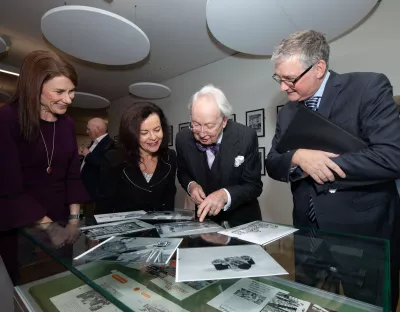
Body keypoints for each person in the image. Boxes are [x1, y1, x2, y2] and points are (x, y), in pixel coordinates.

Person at [266, 30, 400, 309]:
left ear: (319, 68)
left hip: (364, 237)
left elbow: (391, 157)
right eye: (279, 78)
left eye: (290, 79)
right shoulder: (288, 112)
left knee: (367, 305)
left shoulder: (368, 87)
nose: (283, 87)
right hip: (308, 236)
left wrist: (322, 164)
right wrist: (299, 157)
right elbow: (273, 163)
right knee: (310, 303)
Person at [0, 50, 89, 282]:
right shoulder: (7, 119)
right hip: (21, 226)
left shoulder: (68, 124)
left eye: (72, 91)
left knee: (61, 283)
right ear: (34, 87)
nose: (68, 99)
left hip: (61, 222)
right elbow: (10, 188)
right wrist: (50, 228)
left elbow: (72, 176)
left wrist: (73, 220)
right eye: (59, 92)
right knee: (28, 288)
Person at [176, 85, 263, 227]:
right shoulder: (182, 139)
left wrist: (224, 195)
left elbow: (254, 186)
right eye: (196, 124)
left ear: (224, 121)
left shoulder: (245, 137)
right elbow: (182, 172)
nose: (202, 133)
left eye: (209, 126)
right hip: (204, 222)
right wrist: (191, 186)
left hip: (241, 221)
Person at [97, 102, 176, 213]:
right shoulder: (113, 159)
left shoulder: (170, 157)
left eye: (157, 130)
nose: (153, 137)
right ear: (131, 135)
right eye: (144, 133)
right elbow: (104, 207)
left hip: (160, 228)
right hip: (124, 228)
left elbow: (169, 201)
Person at [80, 118, 113, 201]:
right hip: (85, 189)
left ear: (97, 129)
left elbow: (105, 165)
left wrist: (88, 155)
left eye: (88, 129)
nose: (87, 132)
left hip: (95, 193)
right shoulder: (94, 142)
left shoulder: (110, 144)